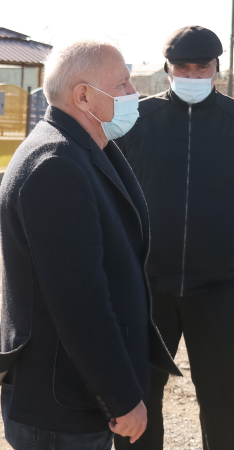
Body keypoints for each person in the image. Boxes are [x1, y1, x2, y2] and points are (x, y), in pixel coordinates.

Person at [116, 25, 234, 450]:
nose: (192, 75)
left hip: (217, 286)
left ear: (217, 68)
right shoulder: (136, 119)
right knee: (140, 394)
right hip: (145, 287)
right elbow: (108, 184)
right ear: (167, 69)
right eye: (183, 68)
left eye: (202, 67)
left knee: (221, 396)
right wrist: (126, 241)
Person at [0, 40, 179, 450]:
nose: (134, 93)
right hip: (61, 405)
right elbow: (79, 301)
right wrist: (121, 397)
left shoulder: (82, 148)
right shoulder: (56, 165)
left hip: (72, 395)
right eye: (122, 84)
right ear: (83, 96)